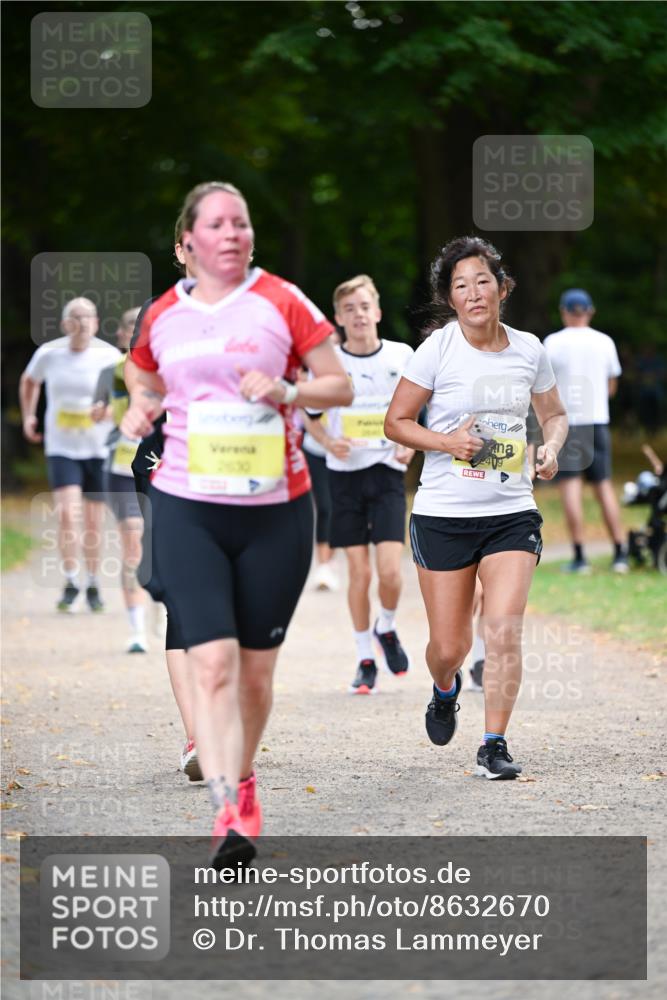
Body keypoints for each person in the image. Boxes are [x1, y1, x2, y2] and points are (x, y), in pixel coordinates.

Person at [121, 181, 352, 865]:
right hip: (187, 505)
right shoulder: (163, 314)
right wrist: (141, 408)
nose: (232, 234)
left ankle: (242, 774)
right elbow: (141, 376)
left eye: (241, 224)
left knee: (253, 674)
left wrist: (288, 390)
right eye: (217, 224)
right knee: (213, 663)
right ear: (187, 240)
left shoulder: (282, 301)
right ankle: (231, 809)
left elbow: (338, 385)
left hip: (274, 511)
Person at [385, 236, 567, 779]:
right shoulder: (437, 349)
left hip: (511, 511)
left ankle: (494, 744)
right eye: (460, 285)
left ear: (502, 287)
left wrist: (551, 447)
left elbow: (554, 415)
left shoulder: (530, 349)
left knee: (504, 627)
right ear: (451, 297)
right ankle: (445, 688)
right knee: (449, 645)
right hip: (443, 515)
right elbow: (397, 423)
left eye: (482, 281)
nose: (473, 292)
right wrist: (449, 443)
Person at [310, 275, 415, 694]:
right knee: (358, 572)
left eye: (364, 306)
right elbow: (306, 412)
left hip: (388, 472)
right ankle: (364, 658)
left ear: (378, 312)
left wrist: (413, 445)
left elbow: (422, 406)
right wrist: (326, 441)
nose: (358, 314)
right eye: (349, 308)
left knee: (390, 571)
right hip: (344, 478)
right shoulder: (329, 361)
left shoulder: (402, 355)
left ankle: (385, 628)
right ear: (338, 317)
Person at [19, 298, 121, 612]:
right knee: (66, 514)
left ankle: (92, 582)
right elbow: (29, 381)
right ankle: (70, 579)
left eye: (88, 317)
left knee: (93, 521)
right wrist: (28, 415)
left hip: (97, 448)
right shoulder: (49, 353)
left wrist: (110, 413)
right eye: (76, 317)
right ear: (65, 324)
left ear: (96, 322)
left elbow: (125, 394)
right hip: (62, 448)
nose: (83, 323)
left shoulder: (109, 356)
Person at [543, 289, 628, 574]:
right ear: (590, 311)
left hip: (567, 423)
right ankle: (620, 554)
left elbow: (544, 386)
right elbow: (611, 386)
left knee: (571, 488)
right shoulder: (604, 341)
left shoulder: (552, 343)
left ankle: (580, 557)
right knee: (603, 486)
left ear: (564, 311)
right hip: (597, 420)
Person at [92, 307, 148, 652]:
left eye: (142, 328)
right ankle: (137, 628)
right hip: (122, 468)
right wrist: (99, 414)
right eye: (131, 328)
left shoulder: (167, 369)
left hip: (164, 468)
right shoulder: (109, 372)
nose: (136, 334)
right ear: (121, 335)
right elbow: (97, 410)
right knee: (133, 541)